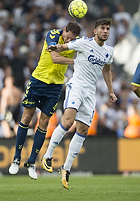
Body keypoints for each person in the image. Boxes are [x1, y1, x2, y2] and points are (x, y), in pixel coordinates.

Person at [42, 18, 117, 189]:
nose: (105, 31)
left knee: (83, 130)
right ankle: (48, 155)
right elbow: (65, 47)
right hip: (76, 86)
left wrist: (111, 91)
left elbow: (107, 71)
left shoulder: (109, 51)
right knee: (68, 122)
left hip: (90, 93)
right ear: (95, 31)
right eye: (102, 28)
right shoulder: (83, 43)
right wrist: (56, 47)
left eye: (107, 29)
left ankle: (66, 168)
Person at [9, 21, 81, 180]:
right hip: (38, 80)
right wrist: (76, 61)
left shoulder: (77, 42)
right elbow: (55, 58)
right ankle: (16, 158)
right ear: (64, 31)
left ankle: (32, 162)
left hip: (55, 86)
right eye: (68, 37)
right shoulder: (53, 35)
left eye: (72, 39)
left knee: (44, 122)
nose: (69, 41)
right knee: (26, 118)